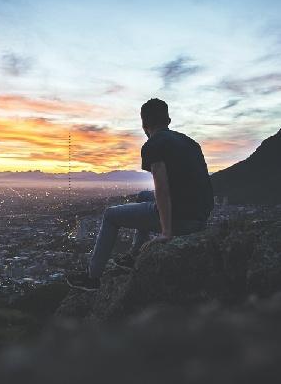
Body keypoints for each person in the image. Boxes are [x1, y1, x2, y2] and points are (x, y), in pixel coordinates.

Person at [66, 98, 214, 291]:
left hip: (181, 219)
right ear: (168, 120)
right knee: (144, 195)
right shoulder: (190, 143)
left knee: (110, 215)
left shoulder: (153, 144)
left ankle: (92, 277)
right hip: (199, 217)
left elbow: (161, 188)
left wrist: (166, 232)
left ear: (144, 124)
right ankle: (134, 254)